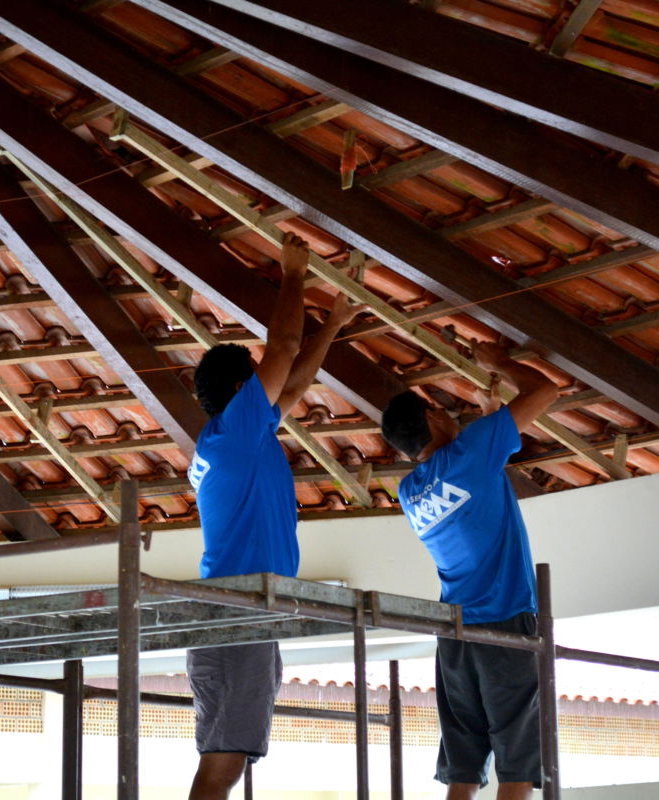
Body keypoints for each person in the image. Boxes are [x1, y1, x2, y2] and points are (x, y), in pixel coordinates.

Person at [185, 232, 359, 800]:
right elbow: (283, 350)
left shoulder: (231, 439)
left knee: (221, 757)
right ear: (242, 389)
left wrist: (333, 322)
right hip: (240, 607)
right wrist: (292, 276)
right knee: (226, 761)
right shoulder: (236, 431)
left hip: (228, 608)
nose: (272, 379)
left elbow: (298, 378)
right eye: (258, 378)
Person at [381, 341, 558, 800]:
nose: (446, 412)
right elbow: (545, 390)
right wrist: (496, 362)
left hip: (456, 635)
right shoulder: (472, 452)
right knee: (517, 765)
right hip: (504, 624)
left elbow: (464, 475)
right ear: (433, 420)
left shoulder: (410, 491)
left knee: (463, 768)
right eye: (439, 408)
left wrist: (490, 417)